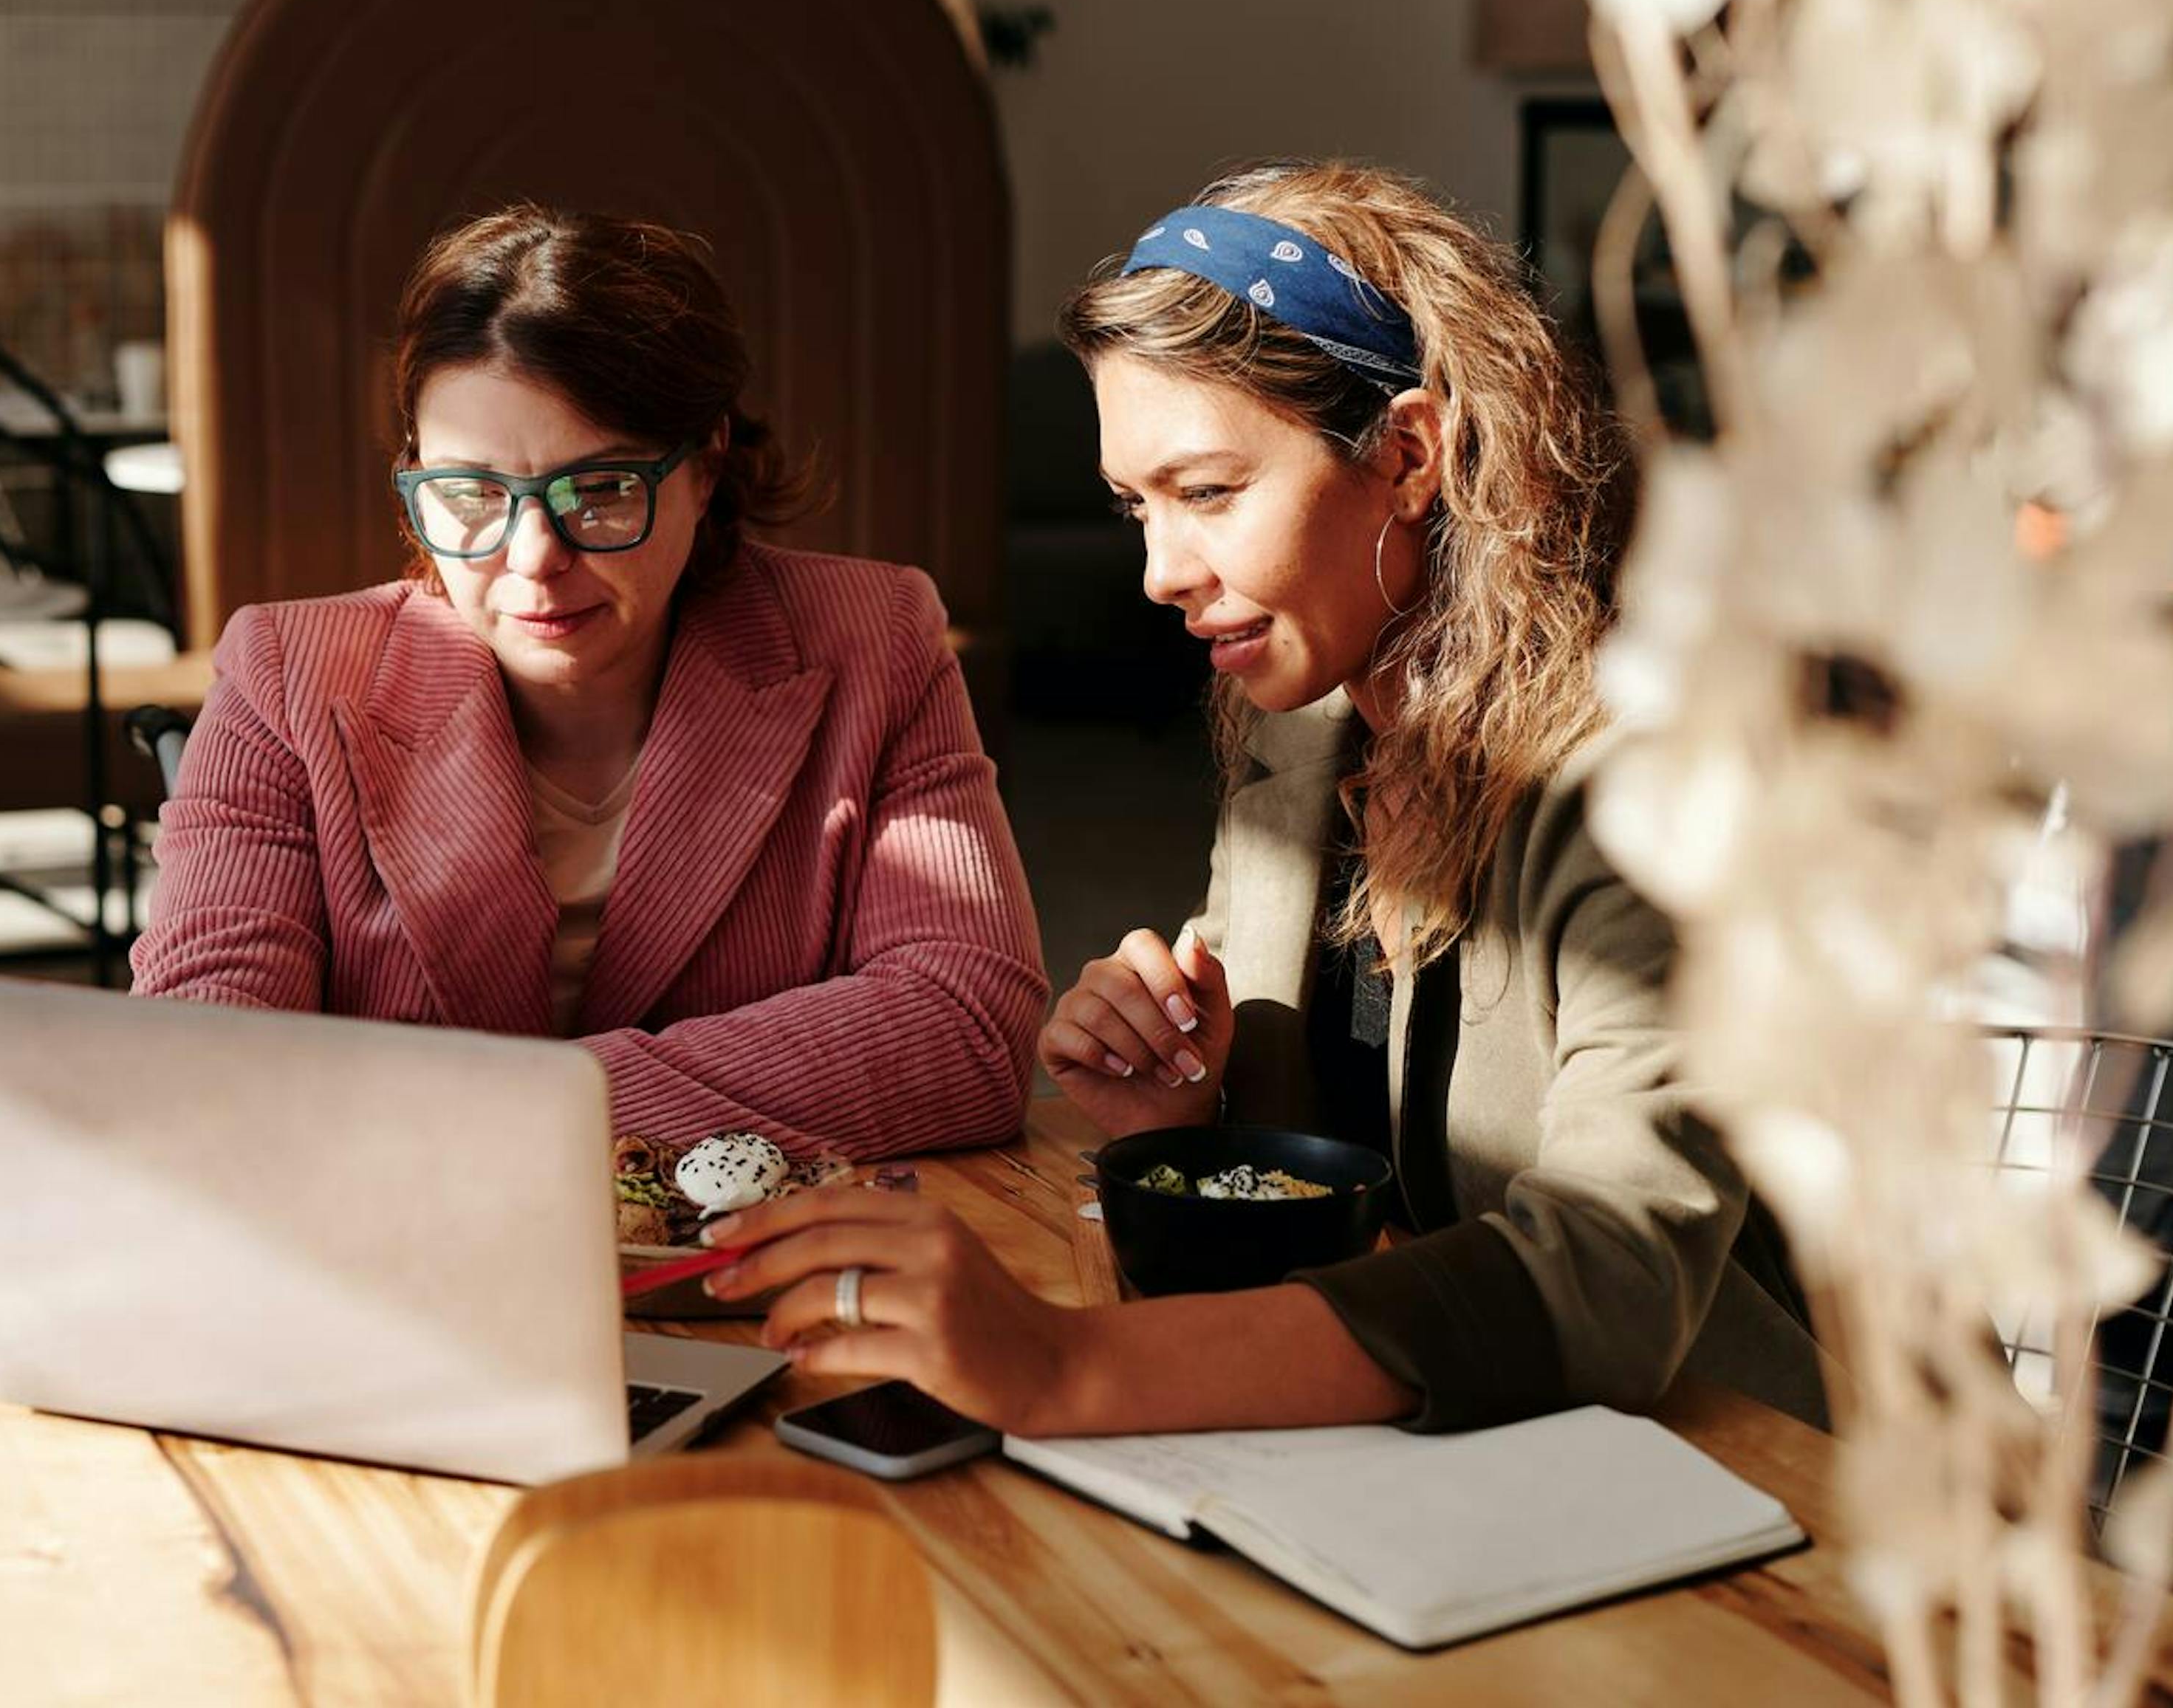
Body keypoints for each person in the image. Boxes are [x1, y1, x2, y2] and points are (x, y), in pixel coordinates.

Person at [704, 161, 1825, 1433]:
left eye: (1209, 493)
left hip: (1736, 1480)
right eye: (1135, 506)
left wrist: (1069, 1370)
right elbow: (1342, 1185)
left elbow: (1613, 1277)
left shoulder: (1658, 788)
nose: (1158, 574)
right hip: (1431, 1461)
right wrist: (1187, 1108)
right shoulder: (1302, 749)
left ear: (1408, 456)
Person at [132, 207, 1047, 1157]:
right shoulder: (288, 676)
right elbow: (208, 1068)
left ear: (706, 465)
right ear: (414, 475)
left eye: (603, 489)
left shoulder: (872, 641)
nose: (533, 557)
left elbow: (967, 1029)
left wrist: (521, 1107)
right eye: (473, 492)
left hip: (768, 1275)